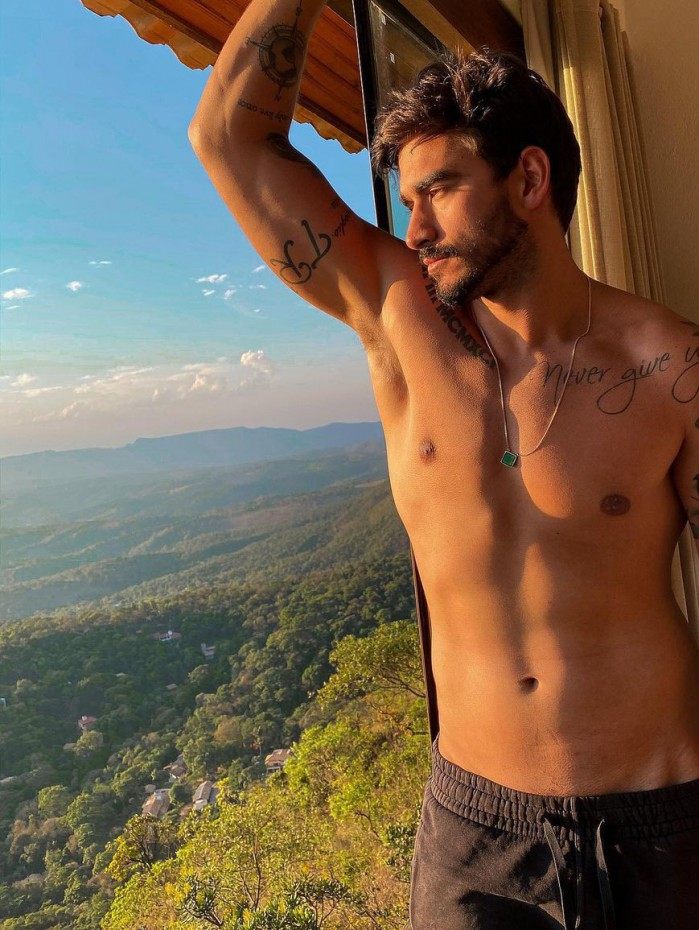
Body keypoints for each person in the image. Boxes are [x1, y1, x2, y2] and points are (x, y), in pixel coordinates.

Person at [187, 1, 699, 926]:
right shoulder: (398, 318)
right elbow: (229, 139)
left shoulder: (670, 367)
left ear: (528, 178)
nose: (413, 229)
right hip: (476, 840)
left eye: (438, 190)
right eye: (407, 199)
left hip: (664, 827)